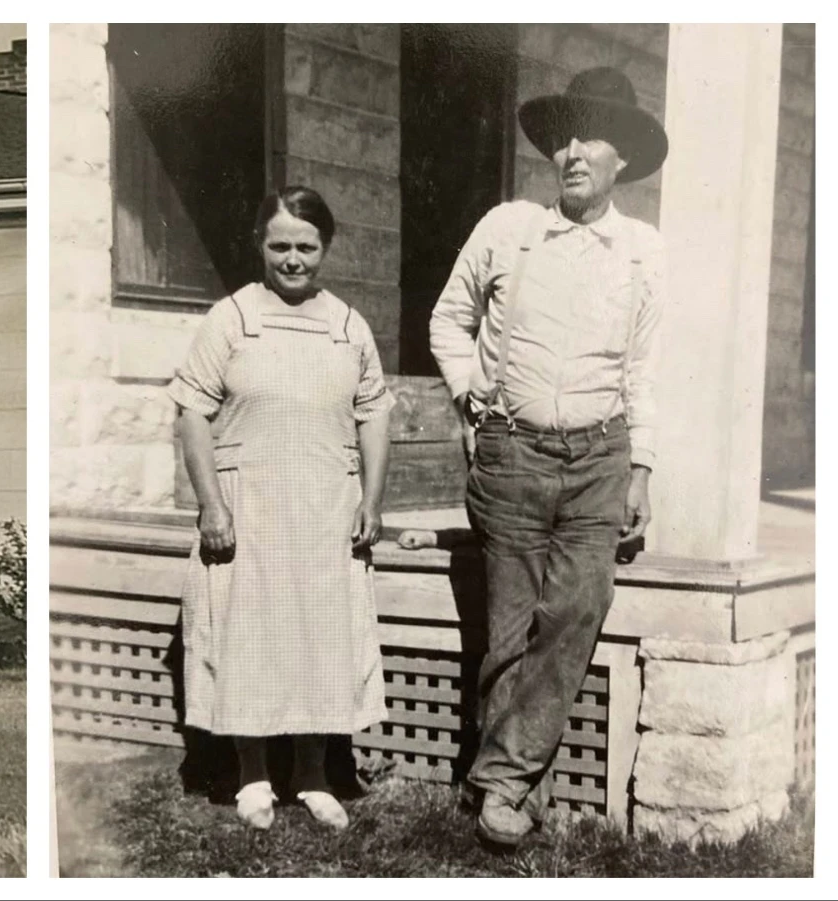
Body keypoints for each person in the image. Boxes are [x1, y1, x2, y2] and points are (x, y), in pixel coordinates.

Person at [427, 66, 668, 848]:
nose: (570, 152)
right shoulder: (508, 228)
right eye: (562, 136)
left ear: (620, 158)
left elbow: (648, 369)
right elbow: (448, 320)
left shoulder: (642, 251)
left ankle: (497, 779)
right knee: (507, 628)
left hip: (601, 457)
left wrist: (641, 471)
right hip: (512, 454)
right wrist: (471, 397)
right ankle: (510, 790)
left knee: (576, 612)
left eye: (589, 137)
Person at [169, 186, 394, 831]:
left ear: (325, 248)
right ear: (260, 246)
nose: (293, 259)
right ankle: (253, 777)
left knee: (320, 638)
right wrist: (212, 505)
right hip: (250, 509)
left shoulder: (348, 324)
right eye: (280, 246)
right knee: (251, 638)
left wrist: (371, 501)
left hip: (326, 506)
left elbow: (374, 413)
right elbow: (192, 413)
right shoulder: (232, 318)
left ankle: (315, 777)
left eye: (306, 246)